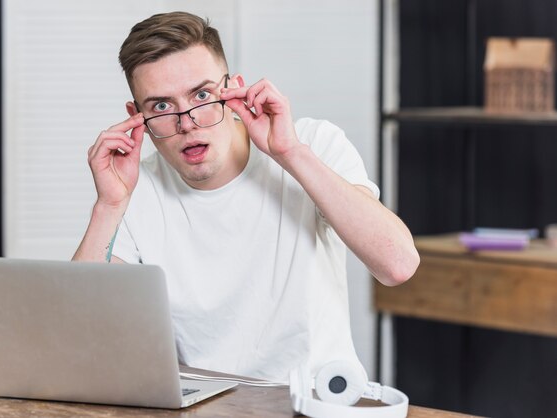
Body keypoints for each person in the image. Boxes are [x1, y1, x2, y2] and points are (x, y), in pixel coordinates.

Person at [73, 11, 419, 382]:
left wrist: (289, 154)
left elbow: (397, 265)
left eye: (201, 95)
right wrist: (108, 206)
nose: (186, 123)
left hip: (315, 401)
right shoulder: (133, 189)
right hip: (200, 403)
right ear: (136, 117)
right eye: (161, 106)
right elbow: (78, 329)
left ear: (233, 89)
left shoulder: (313, 144)